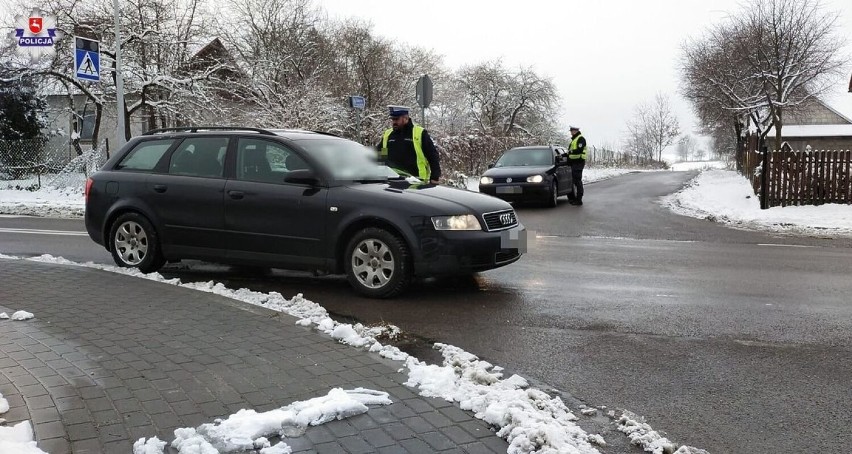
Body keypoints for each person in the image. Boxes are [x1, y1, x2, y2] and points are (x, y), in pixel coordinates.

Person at [377, 105, 442, 184]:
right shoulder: (388, 135)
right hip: (392, 181)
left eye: (397, 119)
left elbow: (432, 156)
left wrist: (435, 177)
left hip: (417, 181)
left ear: (405, 118)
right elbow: (381, 156)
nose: (394, 122)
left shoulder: (419, 133)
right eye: (393, 119)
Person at [567, 126, 587, 205]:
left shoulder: (580, 139)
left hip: (579, 162)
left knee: (577, 181)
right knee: (575, 181)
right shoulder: (574, 140)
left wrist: (570, 152)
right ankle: (574, 199)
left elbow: (579, 150)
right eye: (571, 131)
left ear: (575, 131)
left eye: (572, 131)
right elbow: (570, 152)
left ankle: (579, 199)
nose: (571, 132)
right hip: (574, 162)